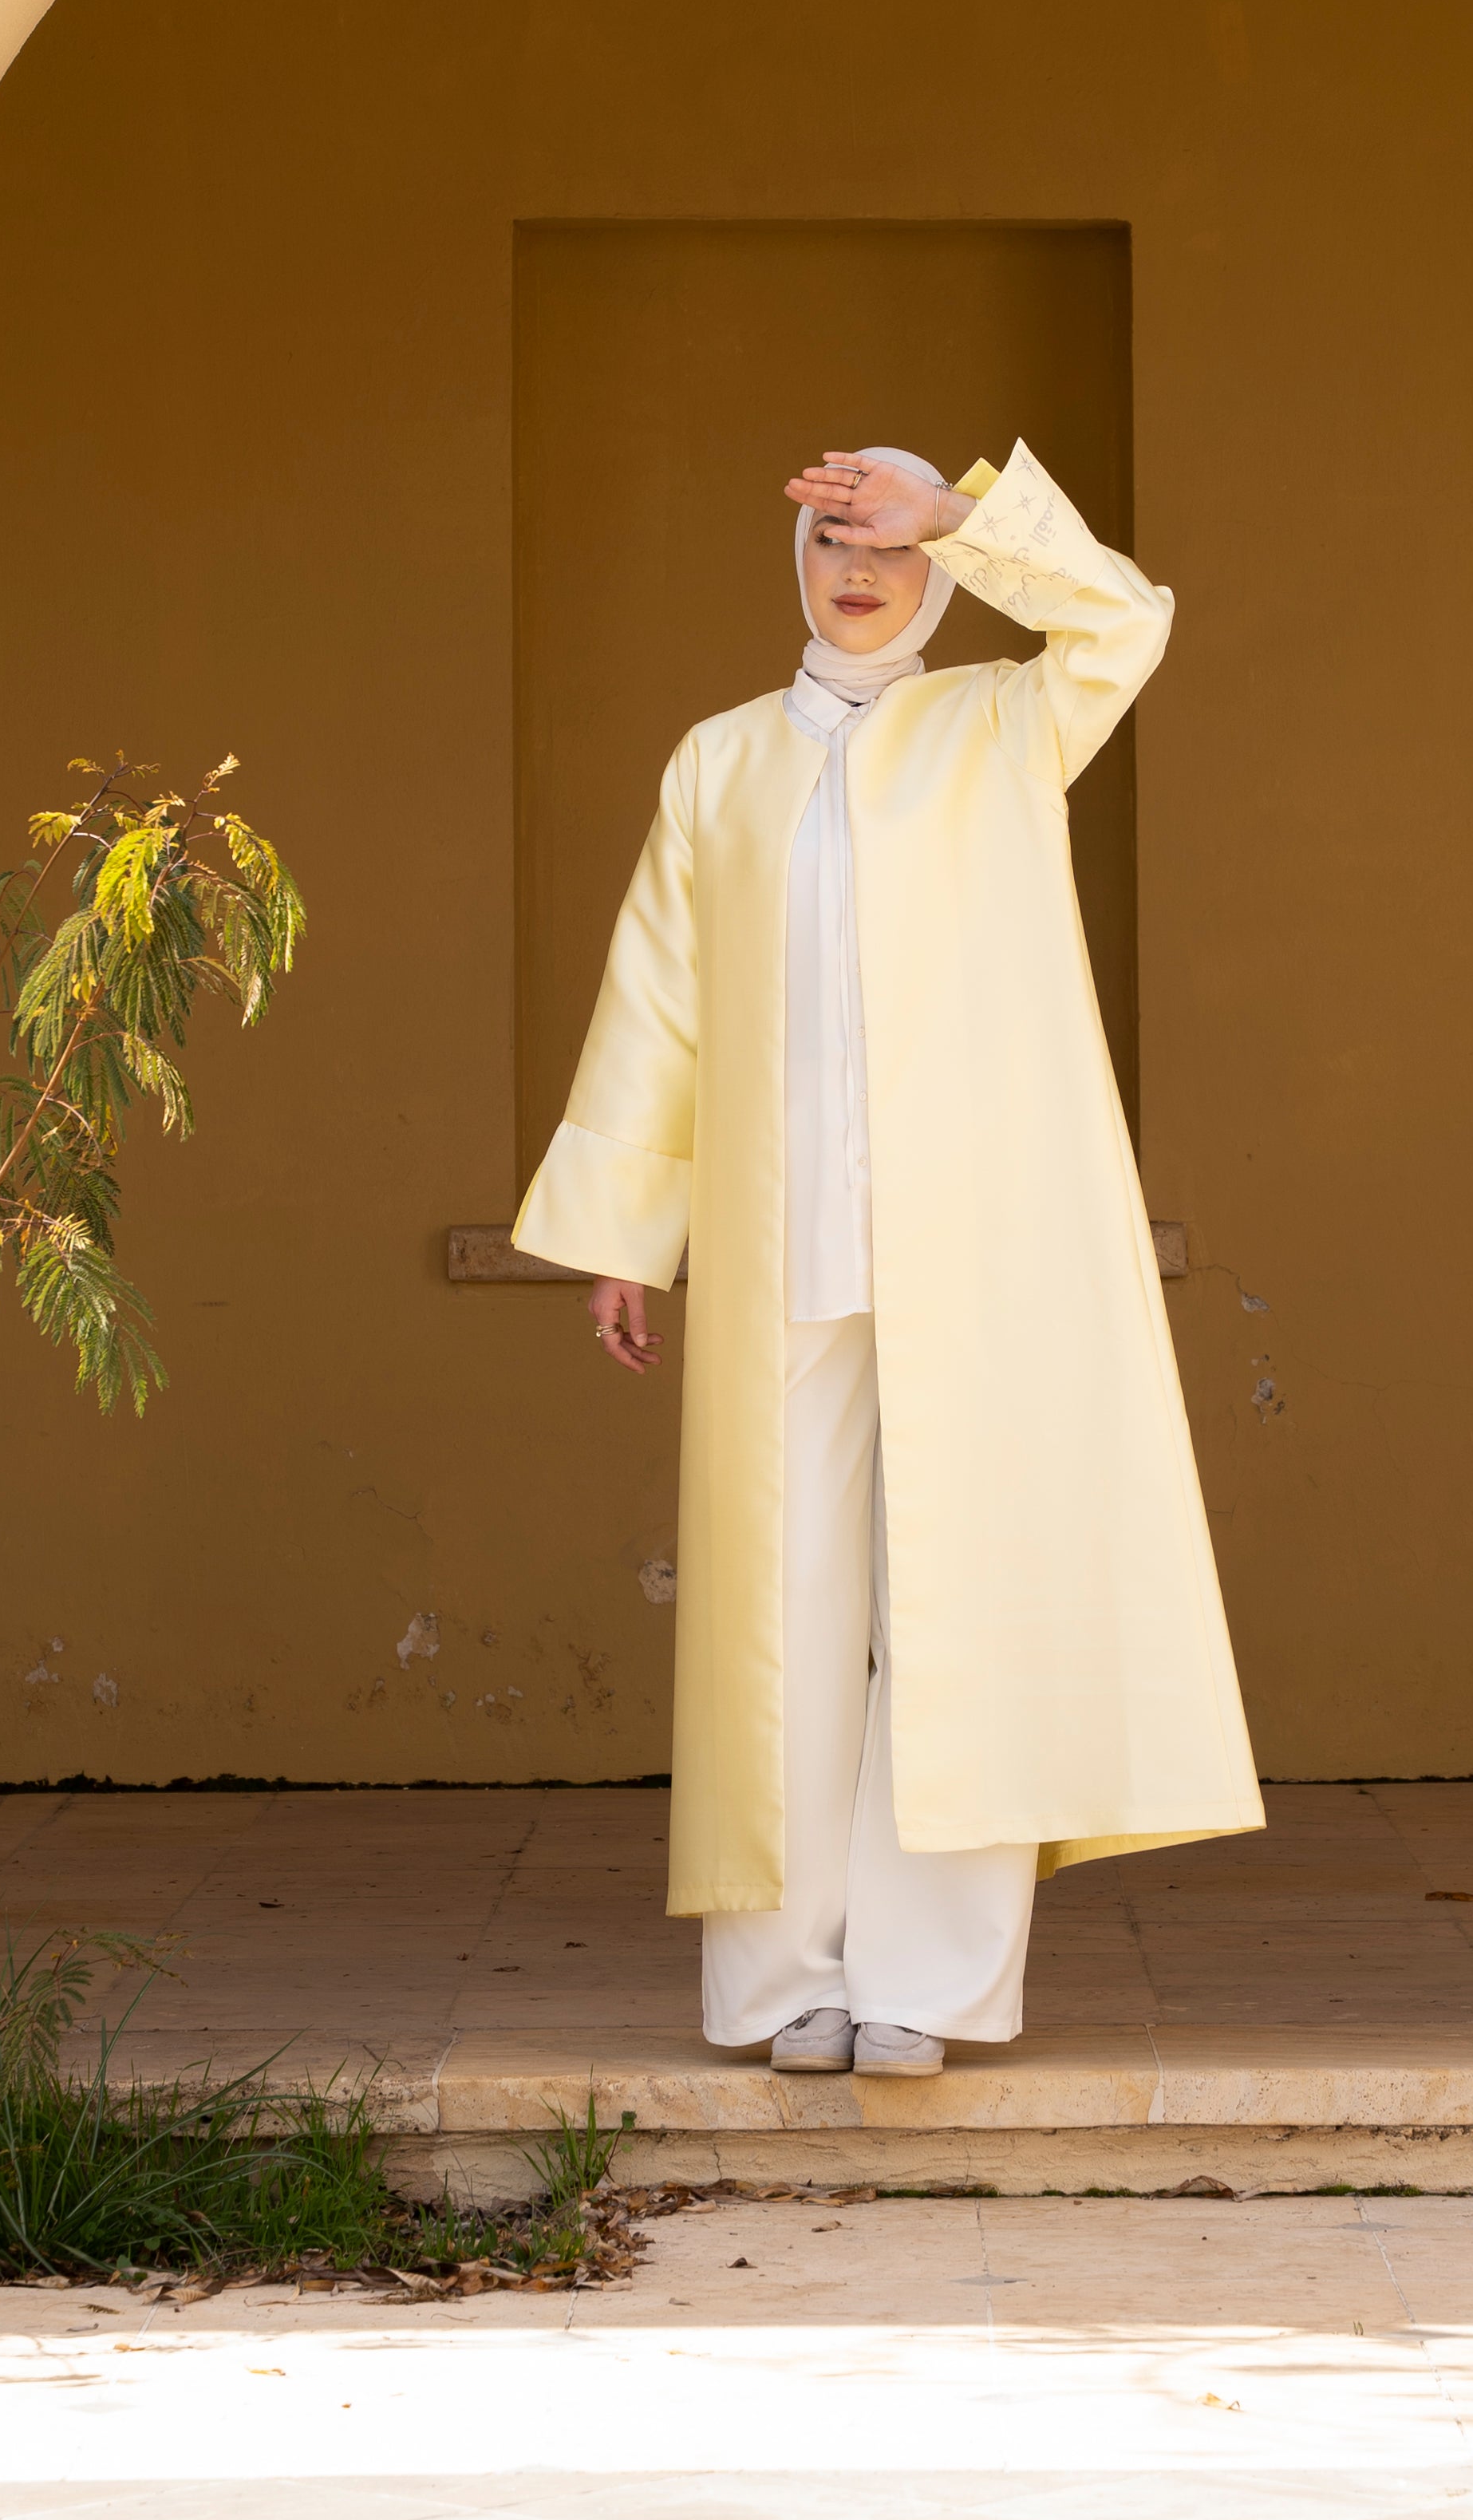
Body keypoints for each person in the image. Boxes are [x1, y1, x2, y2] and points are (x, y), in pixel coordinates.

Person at [513, 441, 1260, 2075]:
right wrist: (622, 1234)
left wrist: (965, 509)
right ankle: (785, 1987)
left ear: (934, 559)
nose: (862, 568)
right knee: (775, 1609)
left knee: (957, 1601)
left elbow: (1124, 623)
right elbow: (658, 1002)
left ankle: (925, 1988)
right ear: (791, 561)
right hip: (783, 1249)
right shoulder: (717, 763)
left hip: (969, 1252)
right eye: (835, 538)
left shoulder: (999, 725)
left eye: (891, 542)